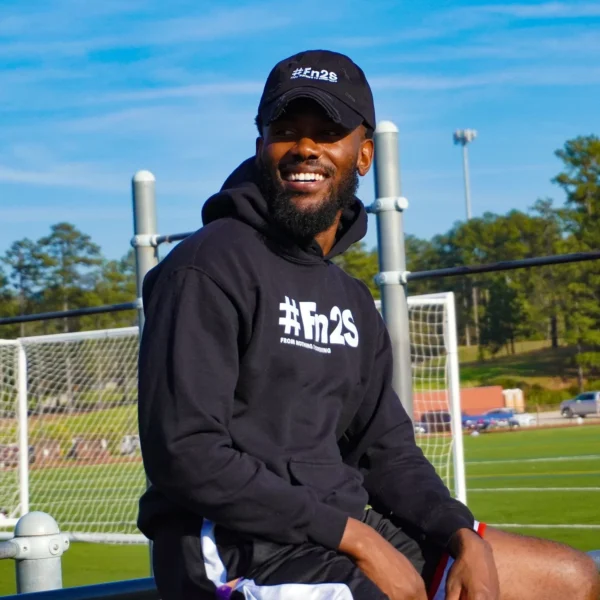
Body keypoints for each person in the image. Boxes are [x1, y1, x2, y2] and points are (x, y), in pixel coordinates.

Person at [137, 50, 599, 600]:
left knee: (570, 581)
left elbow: (388, 451)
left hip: (338, 534)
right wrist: (355, 538)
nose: (305, 147)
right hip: (240, 549)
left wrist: (462, 532)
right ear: (262, 147)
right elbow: (184, 452)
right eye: (285, 130)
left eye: (328, 132)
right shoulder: (206, 266)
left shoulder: (351, 299)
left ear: (363, 155)